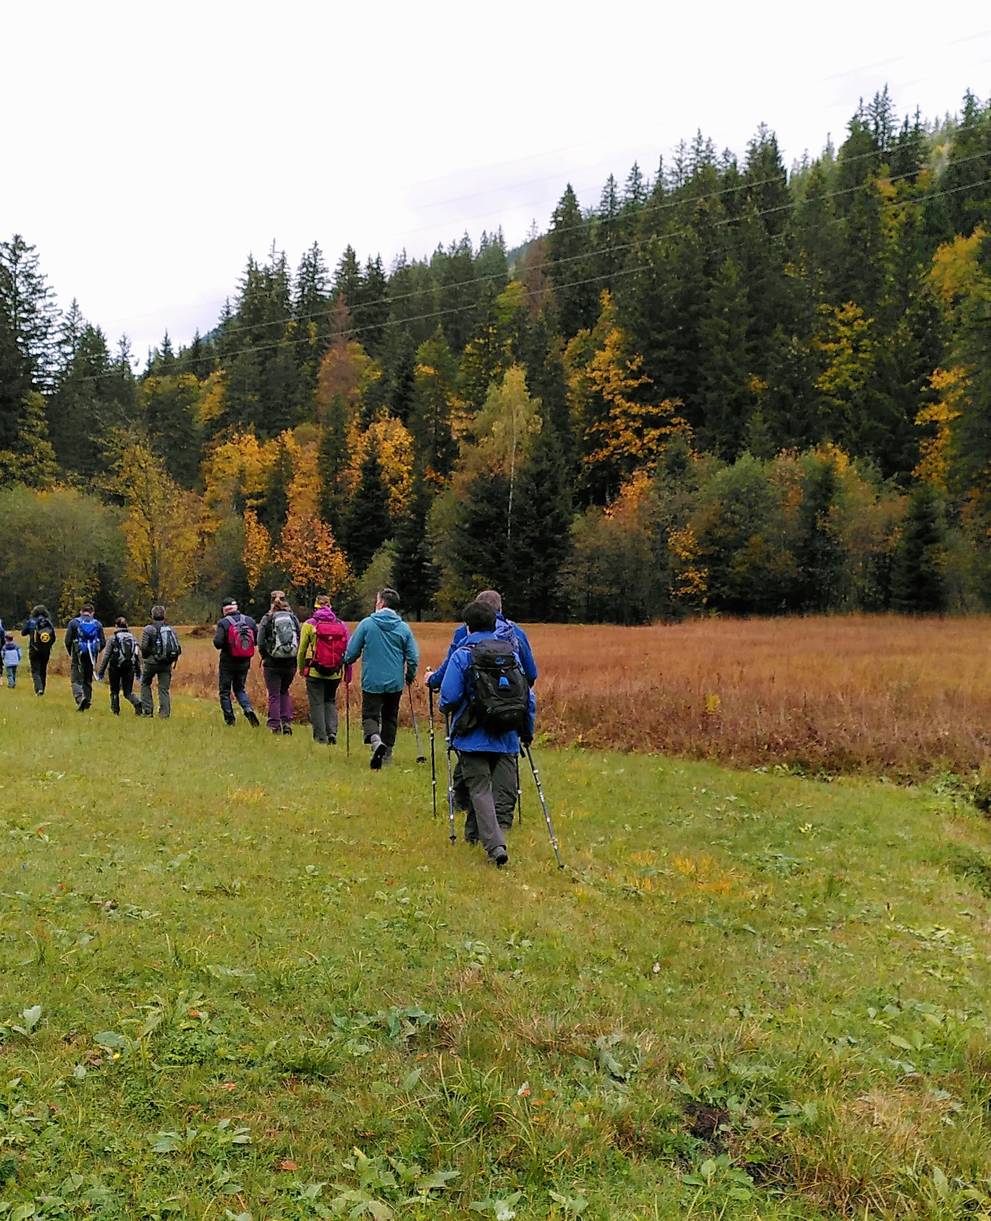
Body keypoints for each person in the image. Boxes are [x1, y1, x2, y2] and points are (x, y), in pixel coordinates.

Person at [426, 589, 537, 841]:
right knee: (501, 778)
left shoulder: (464, 641)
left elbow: (449, 689)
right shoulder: (514, 636)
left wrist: (433, 684)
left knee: (477, 781)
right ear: (500, 608)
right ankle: (494, 827)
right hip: (508, 722)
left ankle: (488, 837)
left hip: (472, 723)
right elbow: (530, 677)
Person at [342, 588, 419, 769]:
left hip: (372, 681)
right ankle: (387, 754)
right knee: (390, 716)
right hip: (395, 682)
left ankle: (376, 742)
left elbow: (352, 651)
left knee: (370, 715)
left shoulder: (367, 624)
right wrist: (410, 675)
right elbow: (413, 657)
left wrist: (346, 661)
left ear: (381, 603)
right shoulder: (403, 628)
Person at [297, 594, 352, 745]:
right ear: (330, 606)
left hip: (315, 671)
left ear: (316, 606)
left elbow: (302, 650)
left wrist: (301, 669)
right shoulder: (341, 625)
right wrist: (347, 672)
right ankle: (332, 733)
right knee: (330, 701)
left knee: (317, 704)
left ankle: (321, 737)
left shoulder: (309, 624)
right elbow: (347, 650)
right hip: (334, 672)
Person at [257, 590, 300, 735]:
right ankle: (286, 722)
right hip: (290, 662)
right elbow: (299, 637)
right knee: (284, 691)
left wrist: (265, 656)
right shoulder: (293, 618)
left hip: (272, 662)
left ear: (270, 602)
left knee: (274, 694)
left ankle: (274, 725)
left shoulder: (267, 618)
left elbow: (260, 641)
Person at [213, 598, 260, 727]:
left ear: (224, 609)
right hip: (245, 661)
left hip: (228, 661)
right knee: (240, 689)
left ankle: (230, 720)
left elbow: (218, 643)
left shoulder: (224, 623)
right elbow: (256, 640)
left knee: (225, 691)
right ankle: (248, 709)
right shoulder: (249, 621)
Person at [139, 605, 181, 718]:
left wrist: (146, 657)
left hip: (150, 663)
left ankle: (148, 711)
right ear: (164, 615)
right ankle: (164, 713)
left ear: (152, 615)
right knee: (163, 689)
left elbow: (143, 646)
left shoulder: (148, 629)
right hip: (166, 664)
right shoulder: (171, 629)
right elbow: (177, 647)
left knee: (145, 684)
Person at [97, 617, 143, 715]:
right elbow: (137, 656)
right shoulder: (133, 638)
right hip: (129, 667)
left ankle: (115, 711)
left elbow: (106, 656)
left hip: (115, 668)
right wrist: (138, 672)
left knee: (114, 691)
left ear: (116, 626)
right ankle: (137, 702)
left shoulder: (113, 638)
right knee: (128, 692)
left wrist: (101, 672)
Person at [65, 603, 106, 711]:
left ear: (81, 612)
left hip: (78, 654)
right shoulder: (97, 624)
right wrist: (96, 652)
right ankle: (87, 701)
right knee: (87, 679)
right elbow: (102, 642)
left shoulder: (74, 623)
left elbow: (68, 640)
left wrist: (72, 652)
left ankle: (80, 698)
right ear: (92, 613)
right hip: (91, 655)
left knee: (76, 679)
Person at [21, 604, 56, 695]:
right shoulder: (48, 622)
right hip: (46, 651)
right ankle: (42, 689)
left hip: (34, 650)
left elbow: (23, 633)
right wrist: (48, 646)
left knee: (35, 670)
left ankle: (38, 689)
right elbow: (53, 638)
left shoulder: (32, 622)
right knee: (43, 670)